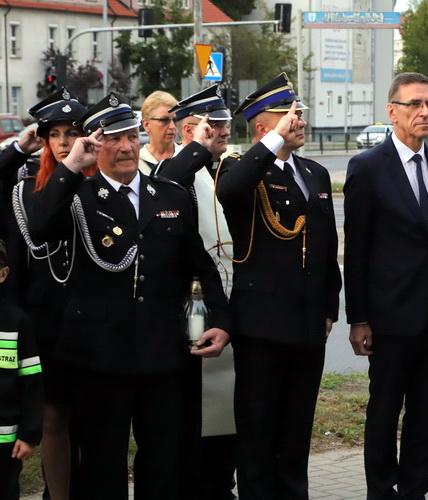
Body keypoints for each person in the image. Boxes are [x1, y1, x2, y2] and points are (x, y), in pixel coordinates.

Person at [26, 92, 231, 500]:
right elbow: (40, 227)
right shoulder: (77, 196)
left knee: (162, 464)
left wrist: (222, 321)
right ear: (93, 145)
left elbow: (200, 267)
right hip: (100, 360)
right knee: (102, 468)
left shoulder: (169, 195)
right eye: (112, 139)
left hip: (162, 356)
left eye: (131, 137)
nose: (125, 147)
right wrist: (71, 166)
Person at [216, 73, 341, 500]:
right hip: (262, 327)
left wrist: (329, 307)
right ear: (261, 126)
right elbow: (230, 192)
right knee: (258, 432)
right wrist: (271, 145)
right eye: (289, 114)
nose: (299, 120)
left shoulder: (315, 173)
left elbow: (326, 247)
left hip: (307, 325)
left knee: (296, 433)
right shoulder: (241, 168)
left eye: (299, 113)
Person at [344, 72, 428, 500]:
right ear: (392, 112)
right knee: (384, 411)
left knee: (426, 413)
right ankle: (381, 491)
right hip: (390, 316)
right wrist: (358, 317)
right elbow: (356, 250)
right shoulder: (367, 167)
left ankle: (415, 490)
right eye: (415, 104)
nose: (425, 112)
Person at [3, 88, 90, 500]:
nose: (63, 142)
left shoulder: (95, 184)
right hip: (45, 323)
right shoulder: (27, 190)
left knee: (91, 422)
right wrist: (19, 148)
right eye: (54, 134)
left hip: (91, 321)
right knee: (54, 419)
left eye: (71, 132)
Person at [156, 84, 237, 500]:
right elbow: (163, 187)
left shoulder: (226, 168)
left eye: (225, 124)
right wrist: (196, 152)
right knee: (190, 418)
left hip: (227, 304)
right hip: (192, 309)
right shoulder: (177, 170)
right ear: (190, 130)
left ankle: (220, 485)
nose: (224, 132)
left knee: (226, 416)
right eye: (214, 125)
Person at [0, 238, 43, 500]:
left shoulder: (18, 322)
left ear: (3, 274)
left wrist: (29, 435)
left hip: (5, 443)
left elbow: (32, 383)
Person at [139, 90, 179, 174]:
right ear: (146, 125)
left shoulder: (188, 157)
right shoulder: (136, 164)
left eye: (175, 120)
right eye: (164, 120)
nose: (172, 126)